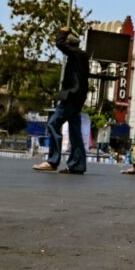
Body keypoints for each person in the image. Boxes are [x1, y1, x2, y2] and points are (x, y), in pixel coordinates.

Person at [33, 27, 90, 174]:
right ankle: (77, 164)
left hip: (72, 96)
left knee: (53, 123)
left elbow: (59, 44)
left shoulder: (76, 54)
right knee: (75, 130)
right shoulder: (81, 57)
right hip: (77, 97)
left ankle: (52, 161)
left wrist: (63, 32)